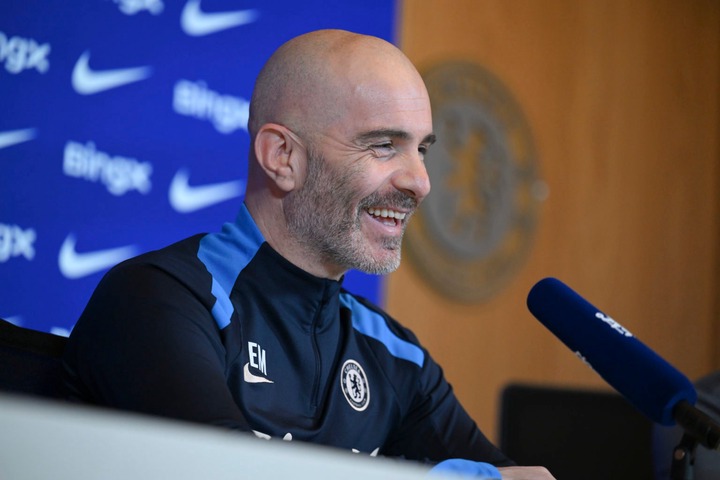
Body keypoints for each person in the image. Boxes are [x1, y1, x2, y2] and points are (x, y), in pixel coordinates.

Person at [62, 29, 554, 479]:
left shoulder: (394, 353)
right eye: (384, 145)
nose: (420, 182)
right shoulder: (158, 298)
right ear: (283, 157)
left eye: (421, 149)